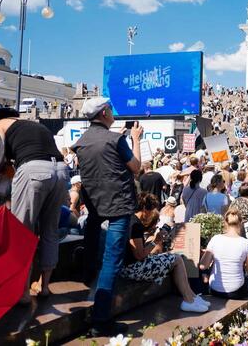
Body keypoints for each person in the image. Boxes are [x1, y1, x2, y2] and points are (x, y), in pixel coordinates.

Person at [71, 97, 143, 337]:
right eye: (110, 109)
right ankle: (101, 320)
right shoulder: (116, 139)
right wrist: (134, 140)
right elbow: (136, 167)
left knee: (92, 242)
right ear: (103, 113)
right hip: (119, 205)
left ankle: (87, 275)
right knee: (112, 260)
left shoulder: (81, 142)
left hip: (94, 203)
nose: (113, 112)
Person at [0, 108, 70, 303]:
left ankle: (22, 293)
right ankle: (44, 287)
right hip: (60, 171)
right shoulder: (35, 126)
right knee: (50, 230)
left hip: (34, 170)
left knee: (22, 233)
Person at [121, 192, 209, 313]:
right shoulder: (135, 224)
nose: (153, 214)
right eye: (152, 210)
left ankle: (192, 296)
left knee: (177, 257)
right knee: (176, 259)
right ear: (145, 209)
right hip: (132, 268)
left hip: (130, 266)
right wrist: (156, 241)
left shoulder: (132, 220)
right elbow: (139, 255)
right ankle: (188, 299)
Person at [199, 208, 248, 300]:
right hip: (237, 291)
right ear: (241, 223)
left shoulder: (215, 239)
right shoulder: (245, 243)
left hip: (215, 289)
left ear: (225, 223)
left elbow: (203, 266)